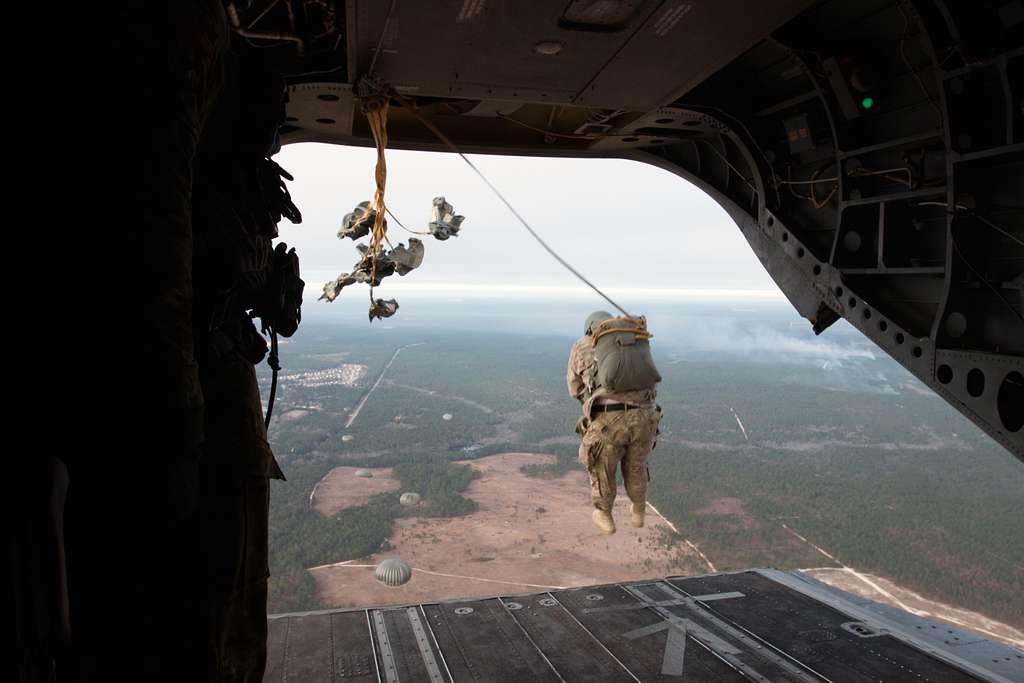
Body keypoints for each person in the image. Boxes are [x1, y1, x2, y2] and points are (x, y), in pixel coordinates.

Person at [192, 51, 302, 682]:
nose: (278, 123)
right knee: (222, 566)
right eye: (269, 108)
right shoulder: (201, 184)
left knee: (240, 562)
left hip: (224, 391)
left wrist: (272, 297)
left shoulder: (244, 187)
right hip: (205, 401)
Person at [567, 310, 662, 535]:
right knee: (636, 468)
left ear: (590, 328)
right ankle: (638, 509)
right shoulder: (634, 343)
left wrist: (591, 397)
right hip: (645, 419)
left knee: (602, 471)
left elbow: (574, 388)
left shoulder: (582, 345)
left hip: (609, 422)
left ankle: (604, 515)